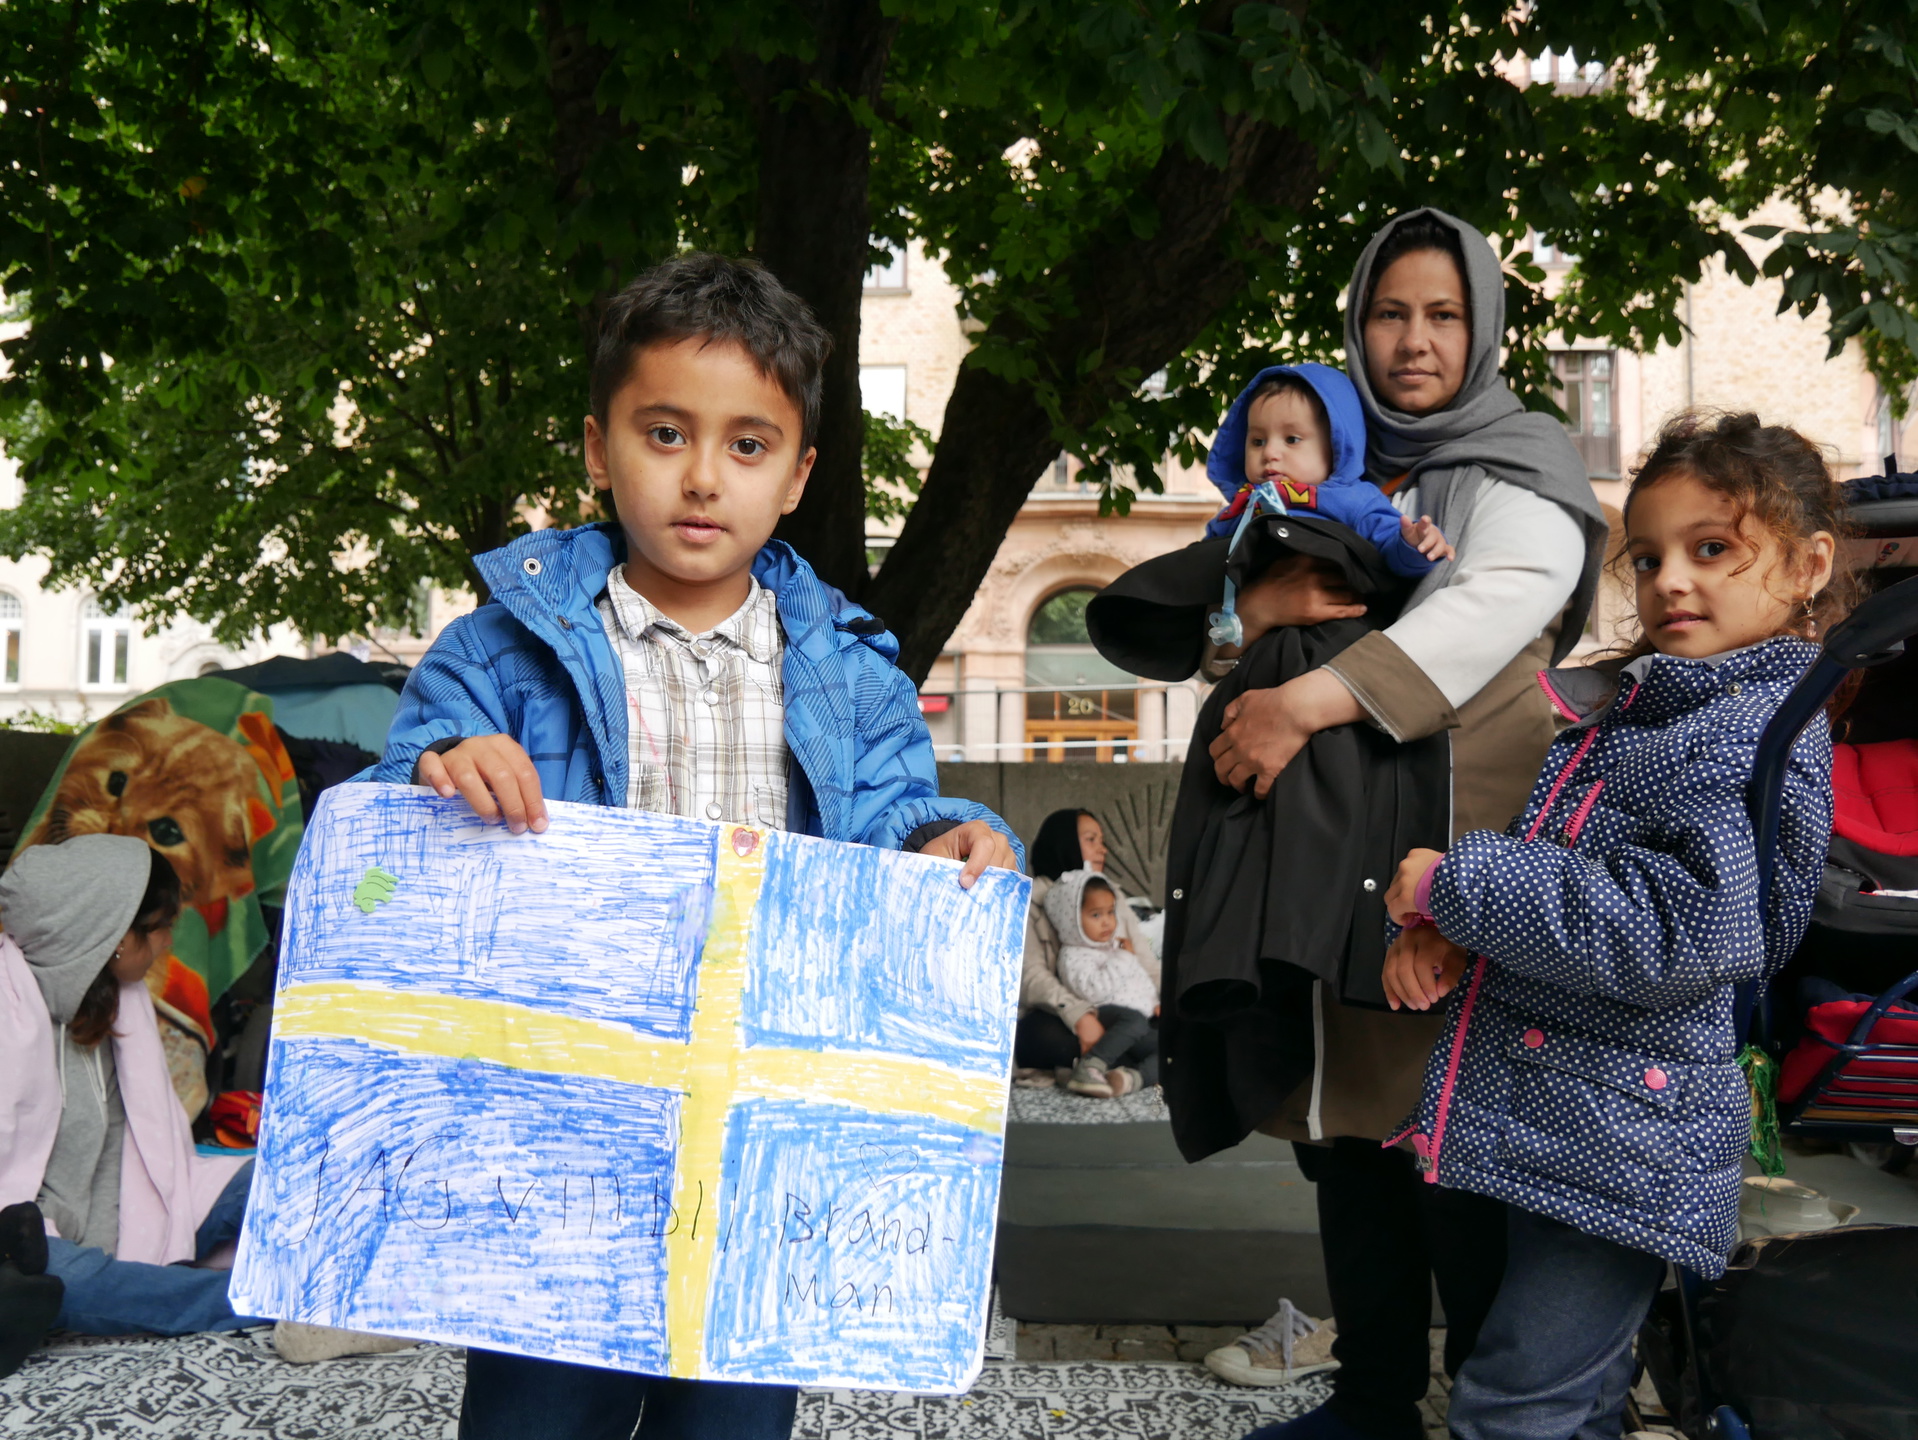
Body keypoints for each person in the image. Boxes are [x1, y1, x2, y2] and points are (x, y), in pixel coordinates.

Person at [369, 252, 1022, 1440]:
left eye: (747, 445)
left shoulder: (855, 675)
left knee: (728, 1419)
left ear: (798, 475)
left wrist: (949, 842)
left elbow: (890, 821)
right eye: (664, 434)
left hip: (755, 1154)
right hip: (552, 1143)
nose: (702, 477)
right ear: (595, 447)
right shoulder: (492, 654)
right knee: (532, 1418)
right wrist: (433, 771)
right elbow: (375, 846)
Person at [1216, 209, 1610, 1435]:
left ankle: (1505, 1409)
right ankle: (1373, 1398)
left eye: (1443, 313)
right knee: (1344, 1134)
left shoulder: (1523, 463)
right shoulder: (1326, 456)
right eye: (1390, 312)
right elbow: (1228, 607)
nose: (1414, 339)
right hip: (1337, 855)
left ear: (1483, 325)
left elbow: (1488, 608)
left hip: (1473, 857)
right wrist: (1261, 608)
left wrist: (1302, 698)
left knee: (1455, 1142)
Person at [1379, 411, 1843, 1440]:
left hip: (1627, 1130)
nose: (1671, 579)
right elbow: (1580, 880)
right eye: (1648, 556)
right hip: (1569, 1104)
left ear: (1809, 565)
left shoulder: (1753, 733)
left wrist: (1457, 886)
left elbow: (1673, 932)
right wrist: (1461, 927)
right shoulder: (1656, 712)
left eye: (1712, 548)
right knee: (1567, 1401)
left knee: (1514, 1405)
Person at [0, 835, 255, 1340]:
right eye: (159, 929)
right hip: (30, 1236)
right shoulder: (10, 1017)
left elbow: (149, 1157)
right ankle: (271, 1300)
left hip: (123, 1212)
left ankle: (305, 1277)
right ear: (113, 936)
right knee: (61, 1279)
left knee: (279, 1180)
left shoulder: (113, 1002)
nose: (167, 944)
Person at [1208, 365, 1453, 590]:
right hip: (1246, 624)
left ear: (1336, 447)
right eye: (1257, 441)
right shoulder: (1239, 509)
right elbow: (1200, 565)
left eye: (1292, 439)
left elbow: (1390, 554)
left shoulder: (1354, 500)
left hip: (1333, 627)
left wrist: (1415, 545)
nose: (1269, 453)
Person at [1015, 808, 1159, 1077]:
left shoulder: (1109, 894)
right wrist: (1080, 1015)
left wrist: (1162, 999)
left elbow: (1143, 958)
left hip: (1124, 1009)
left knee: (1178, 1026)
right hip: (1062, 1015)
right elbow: (1031, 977)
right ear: (1064, 842)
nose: (1102, 850)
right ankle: (1128, 1061)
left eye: (1102, 841)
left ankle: (1106, 1062)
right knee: (1039, 1036)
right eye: (1091, 840)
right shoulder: (1032, 899)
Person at [1043, 871, 1158, 1097]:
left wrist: (1155, 1002)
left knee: (1173, 1048)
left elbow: (1138, 981)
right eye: (1096, 915)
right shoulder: (1073, 955)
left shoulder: (1114, 946)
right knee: (1133, 1020)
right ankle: (1090, 1066)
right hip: (1106, 1013)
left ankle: (1129, 1080)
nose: (1107, 921)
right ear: (1071, 920)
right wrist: (1125, 957)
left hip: (1138, 1023)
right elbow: (1093, 991)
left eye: (1110, 912)